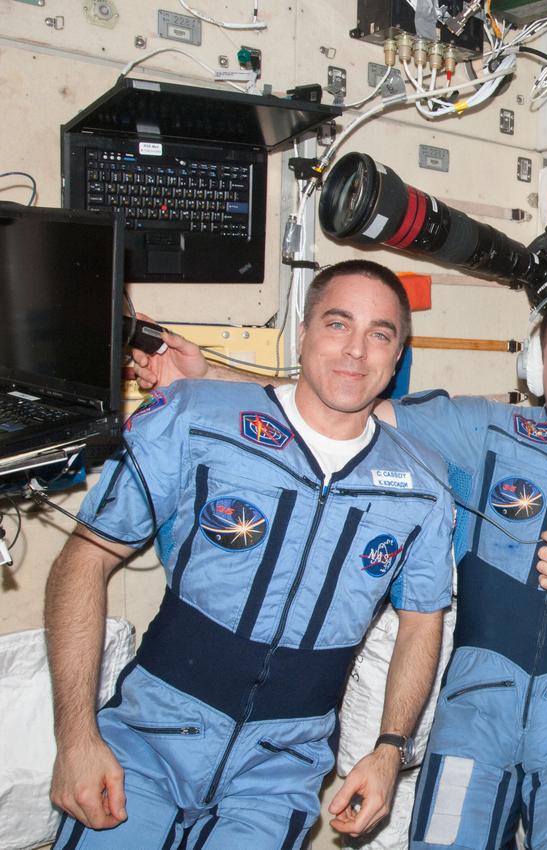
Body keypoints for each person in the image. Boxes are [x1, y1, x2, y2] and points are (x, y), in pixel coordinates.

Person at [133, 284, 547, 850]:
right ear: (534, 366)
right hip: (474, 711)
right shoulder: (484, 430)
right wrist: (208, 378)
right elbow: (339, 402)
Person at [46, 260, 455, 846]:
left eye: (380, 334)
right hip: (146, 741)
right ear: (304, 333)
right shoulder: (194, 419)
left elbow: (422, 623)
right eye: (338, 324)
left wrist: (389, 749)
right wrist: (77, 737)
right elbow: (83, 560)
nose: (356, 350)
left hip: (281, 771)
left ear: (396, 360)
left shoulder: (423, 486)